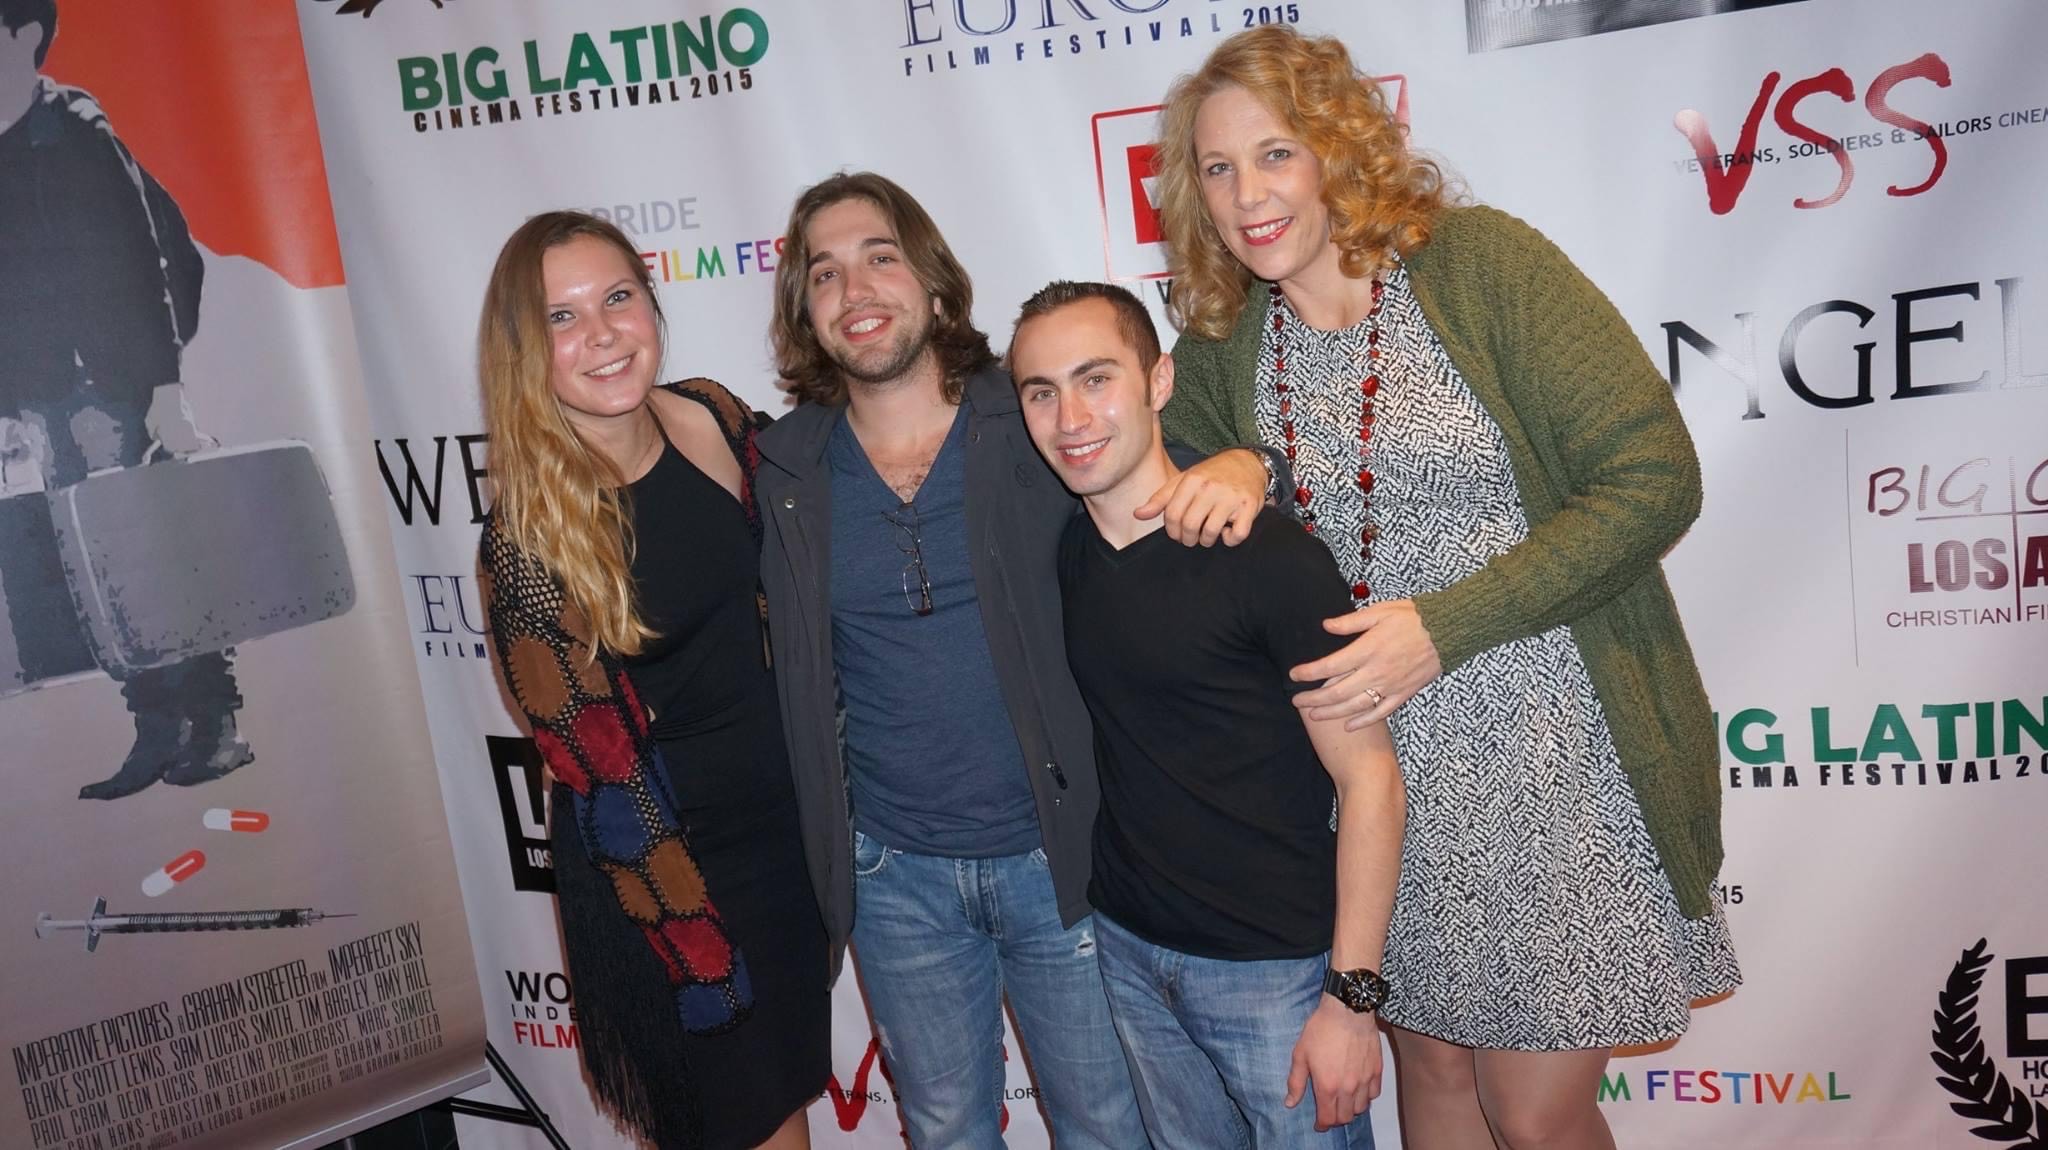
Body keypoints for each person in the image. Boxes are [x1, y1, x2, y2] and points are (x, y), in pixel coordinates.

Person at [1152, 25, 1741, 1150]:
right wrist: (1238, 459)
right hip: (1374, 779)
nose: (1244, 195)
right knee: (1427, 1071)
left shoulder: (1477, 265)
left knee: (1531, 1111)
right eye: (1215, 169)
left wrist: (1445, 623)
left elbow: (1652, 476)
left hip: (1549, 750)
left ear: (1338, 147)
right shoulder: (1229, 334)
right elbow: (1160, 471)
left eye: (1274, 154)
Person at [756, 172, 1271, 1148]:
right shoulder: (787, 465)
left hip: (1061, 858)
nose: (854, 290)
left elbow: (1182, 460)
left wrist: (1253, 463)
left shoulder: (1032, 414)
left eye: (879, 258)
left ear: (936, 286)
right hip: (893, 876)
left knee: (1105, 1128)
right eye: (823, 274)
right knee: (946, 1129)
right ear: (804, 311)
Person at [1009, 280, 1405, 1149]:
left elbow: (1369, 775)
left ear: (1158, 383)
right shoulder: (1066, 552)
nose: (1071, 416)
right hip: (1128, 950)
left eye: (1096, 379)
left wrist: (1351, 1000)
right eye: (1041, 392)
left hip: (1276, 975)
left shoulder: (1267, 556)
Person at [476, 211, 827, 1150]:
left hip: (781, 842)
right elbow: (605, 779)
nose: (602, 334)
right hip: (670, 880)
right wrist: (701, 959)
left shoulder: (711, 414)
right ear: (524, 350)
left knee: (784, 1104)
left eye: (618, 298)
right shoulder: (529, 538)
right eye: (561, 317)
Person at [0, 0, 249, 798]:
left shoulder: (73, 133)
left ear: (24, 38)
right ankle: (155, 727)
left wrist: (166, 392)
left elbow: (150, 266)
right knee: (92, 567)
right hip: (40, 399)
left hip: (112, 383)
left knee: (154, 554)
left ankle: (212, 726)